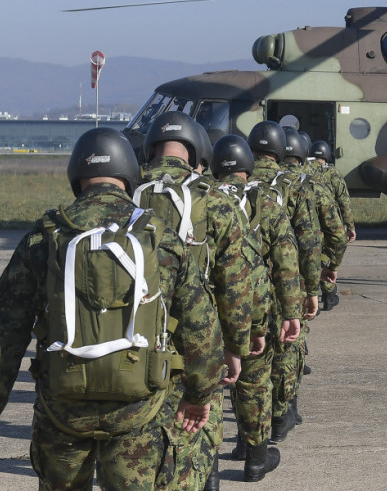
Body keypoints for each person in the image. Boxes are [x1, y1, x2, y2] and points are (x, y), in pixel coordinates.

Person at [0, 127, 225, 490]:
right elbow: (201, 327)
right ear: (129, 175)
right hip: (140, 413)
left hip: (62, 414)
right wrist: (200, 395)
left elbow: (1, 336)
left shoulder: (44, 238)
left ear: (76, 177)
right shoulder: (162, 238)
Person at [134, 111, 260, 491]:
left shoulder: (126, 193)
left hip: (132, 340)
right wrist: (236, 347)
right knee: (199, 429)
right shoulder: (215, 202)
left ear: (150, 148)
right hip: (198, 342)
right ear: (199, 152)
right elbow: (236, 285)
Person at [211, 134, 303, 482]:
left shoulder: (203, 201)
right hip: (253, 308)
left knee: (211, 384)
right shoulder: (264, 201)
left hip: (206, 310)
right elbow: (286, 258)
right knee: (253, 382)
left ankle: (211, 469)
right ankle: (255, 457)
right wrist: (292, 310)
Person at [247, 121, 315, 446]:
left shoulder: (234, 185)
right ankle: (281, 414)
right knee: (288, 346)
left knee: (249, 360)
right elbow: (308, 240)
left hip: (243, 285)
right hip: (283, 282)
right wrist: (312, 289)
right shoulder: (294, 183)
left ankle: (249, 439)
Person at [306, 139, 354, 310]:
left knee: (312, 259)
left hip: (309, 224)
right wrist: (350, 226)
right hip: (330, 223)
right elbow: (344, 202)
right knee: (326, 258)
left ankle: (315, 297)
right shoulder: (333, 174)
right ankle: (328, 295)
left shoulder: (305, 172)